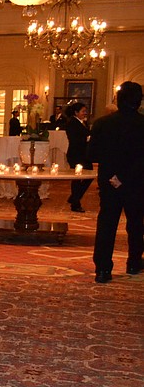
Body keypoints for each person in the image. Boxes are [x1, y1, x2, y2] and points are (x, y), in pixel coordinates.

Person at [89, 81, 144, 283]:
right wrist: (127, 177)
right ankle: (134, 262)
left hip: (110, 181)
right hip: (137, 182)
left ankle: (103, 270)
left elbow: (92, 153)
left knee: (107, 224)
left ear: (118, 100)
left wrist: (114, 176)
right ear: (139, 101)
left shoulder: (103, 123)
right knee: (136, 223)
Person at [65, 102, 92, 212]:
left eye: (85, 111)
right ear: (76, 112)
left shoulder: (82, 122)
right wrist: (87, 139)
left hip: (83, 154)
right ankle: (75, 203)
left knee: (89, 175)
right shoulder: (72, 123)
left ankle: (74, 197)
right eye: (83, 111)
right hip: (75, 154)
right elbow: (74, 139)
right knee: (77, 178)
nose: (85, 113)